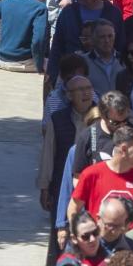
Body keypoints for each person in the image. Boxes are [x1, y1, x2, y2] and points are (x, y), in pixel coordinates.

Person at [67, 125, 133, 230]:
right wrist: (79, 233)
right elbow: (74, 208)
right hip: (100, 241)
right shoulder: (92, 174)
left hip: (132, 243)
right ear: (124, 149)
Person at [49, 0, 126, 84]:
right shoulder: (68, 13)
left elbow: (120, 45)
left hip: (104, 76)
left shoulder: (113, 13)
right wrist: (52, 75)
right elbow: (57, 46)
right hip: (71, 76)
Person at [39, 75, 95, 215]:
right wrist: (44, 187)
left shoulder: (103, 119)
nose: (86, 93)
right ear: (69, 95)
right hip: (63, 184)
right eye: (80, 89)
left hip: (93, 185)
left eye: (88, 88)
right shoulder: (58, 119)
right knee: (60, 230)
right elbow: (48, 155)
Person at [0, 0, 48, 71]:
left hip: (2, 60)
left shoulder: (6, 1)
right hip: (25, 62)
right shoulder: (40, 8)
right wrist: (40, 66)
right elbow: (38, 41)